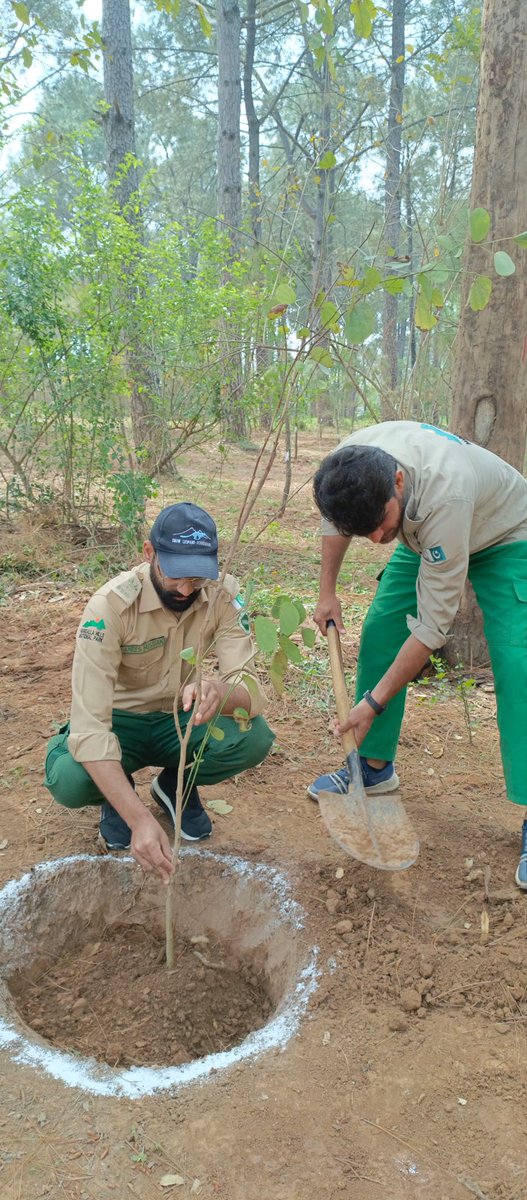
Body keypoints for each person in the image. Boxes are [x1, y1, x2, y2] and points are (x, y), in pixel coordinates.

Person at [307, 420, 527, 890]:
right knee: (382, 630)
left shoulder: (445, 494)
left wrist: (372, 701)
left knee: (519, 662)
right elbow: (338, 523)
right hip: (420, 527)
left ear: (398, 482)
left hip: (506, 532)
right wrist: (327, 592)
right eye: (362, 531)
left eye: (378, 525)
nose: (374, 540)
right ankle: (374, 767)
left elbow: (433, 626)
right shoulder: (346, 466)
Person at [45, 502, 274, 879]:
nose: (186, 589)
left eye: (197, 577)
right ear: (149, 553)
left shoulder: (222, 593)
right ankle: (118, 798)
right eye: (175, 575)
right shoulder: (110, 608)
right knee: (70, 779)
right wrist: (138, 820)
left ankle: (175, 783)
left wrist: (221, 689)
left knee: (253, 737)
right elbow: (89, 728)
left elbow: (251, 689)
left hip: (181, 718)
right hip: (122, 725)